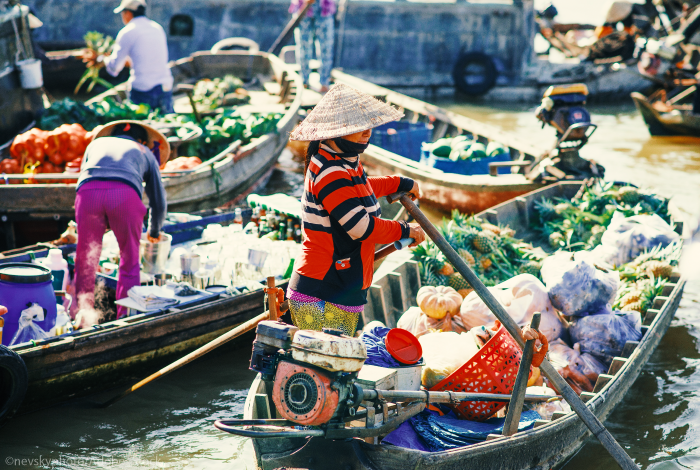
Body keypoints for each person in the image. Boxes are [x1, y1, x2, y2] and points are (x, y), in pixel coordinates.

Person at [286, 83, 426, 337]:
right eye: (356, 127)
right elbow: (362, 227)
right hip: (321, 288)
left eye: (367, 123)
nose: (367, 131)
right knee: (324, 365)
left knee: (332, 364)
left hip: (341, 285)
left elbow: (358, 190)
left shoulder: (343, 163)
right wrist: (406, 229)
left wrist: (399, 183)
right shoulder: (330, 171)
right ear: (335, 132)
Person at [73, 120, 169, 320]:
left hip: (88, 195)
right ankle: (126, 318)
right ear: (142, 140)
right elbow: (158, 204)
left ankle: (81, 317)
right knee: (129, 260)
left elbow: (85, 177)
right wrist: (153, 232)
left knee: (86, 259)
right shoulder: (145, 151)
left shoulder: (94, 145)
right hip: (124, 196)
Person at [83, 0, 174, 113]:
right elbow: (145, 59)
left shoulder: (127, 32)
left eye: (122, 13)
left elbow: (114, 68)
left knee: (140, 128)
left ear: (128, 13)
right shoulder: (157, 28)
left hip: (143, 90)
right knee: (166, 122)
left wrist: (101, 59)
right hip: (165, 86)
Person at [289, 0, 335, 93]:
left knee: (325, 48)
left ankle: (324, 82)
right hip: (303, 8)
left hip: (323, 8)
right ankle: (304, 80)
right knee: (303, 47)